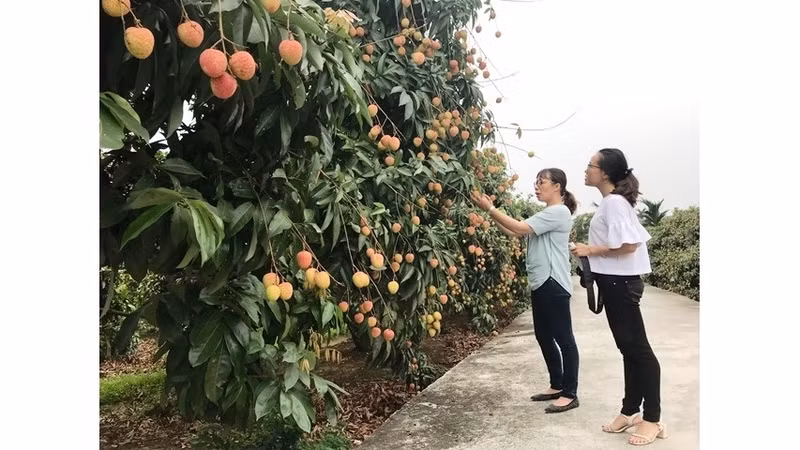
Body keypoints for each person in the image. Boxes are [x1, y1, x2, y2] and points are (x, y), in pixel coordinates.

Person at [570, 148, 667, 445]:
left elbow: (628, 245)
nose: (586, 170)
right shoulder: (613, 202)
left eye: (591, 165)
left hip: (620, 284)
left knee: (638, 350)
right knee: (628, 349)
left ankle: (652, 418)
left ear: (606, 173)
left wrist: (589, 249)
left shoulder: (613, 203)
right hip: (615, 283)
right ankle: (629, 411)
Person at [472, 168, 579, 413]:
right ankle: (557, 384)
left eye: (541, 182)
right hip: (541, 282)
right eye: (536, 182)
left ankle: (570, 393)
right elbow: (513, 231)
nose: (537, 186)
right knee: (543, 335)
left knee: (564, 339)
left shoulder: (559, 212)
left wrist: (490, 209)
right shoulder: (546, 214)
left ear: (557, 186)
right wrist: (486, 210)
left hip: (554, 283)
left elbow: (519, 228)